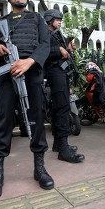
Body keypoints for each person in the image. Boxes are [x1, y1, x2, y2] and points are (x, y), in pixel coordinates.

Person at [0, 0, 53, 200]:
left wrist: (29, 62)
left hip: (31, 74)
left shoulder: (37, 19)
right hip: (6, 75)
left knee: (37, 119)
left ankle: (39, 168)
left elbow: (45, 45)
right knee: (3, 121)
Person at [43, 9, 84, 163]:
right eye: (57, 19)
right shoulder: (44, 33)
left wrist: (68, 49)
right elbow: (41, 50)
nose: (60, 21)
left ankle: (58, 145)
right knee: (62, 109)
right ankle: (63, 149)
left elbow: (62, 52)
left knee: (58, 108)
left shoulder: (58, 34)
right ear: (49, 19)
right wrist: (58, 50)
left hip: (62, 72)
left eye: (60, 19)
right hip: (54, 72)